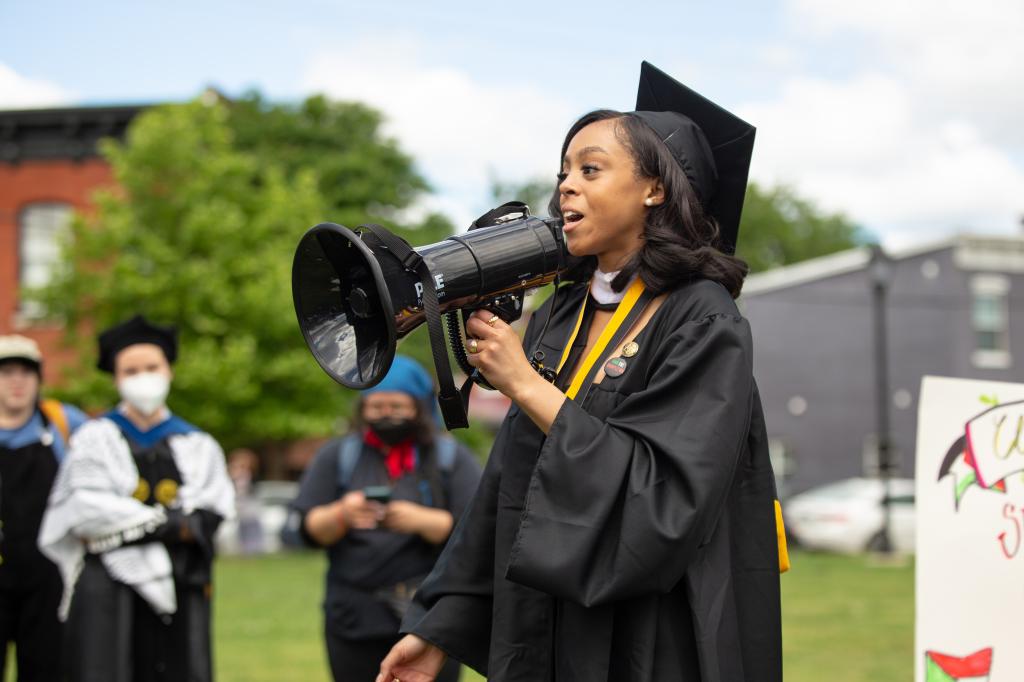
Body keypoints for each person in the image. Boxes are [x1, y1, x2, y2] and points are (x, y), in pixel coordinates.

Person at [377, 62, 786, 682]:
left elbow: (665, 495)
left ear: (655, 189)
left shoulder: (702, 317)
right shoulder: (561, 313)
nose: (566, 186)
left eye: (590, 169)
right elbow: (510, 481)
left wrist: (525, 385)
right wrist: (437, 626)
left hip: (652, 629)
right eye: (563, 172)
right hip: (543, 621)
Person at [38, 314, 235, 682]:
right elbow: (85, 515)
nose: (143, 377)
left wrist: (135, 522)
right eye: (130, 370)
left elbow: (211, 517)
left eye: (151, 367)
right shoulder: (95, 440)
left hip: (181, 585)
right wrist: (172, 522)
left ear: (169, 371)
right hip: (107, 589)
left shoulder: (197, 444)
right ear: (115, 377)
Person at [287, 355, 482, 682]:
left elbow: (477, 533)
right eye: (377, 408)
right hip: (353, 619)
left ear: (419, 407)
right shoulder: (338, 456)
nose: (386, 415)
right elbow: (303, 530)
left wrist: (422, 521)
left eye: (397, 406)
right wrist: (342, 514)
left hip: (428, 617)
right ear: (362, 409)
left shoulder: (450, 457)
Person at [0, 335, 87, 681]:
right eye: (7, 372)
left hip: (50, 575)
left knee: (48, 668)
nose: (17, 381)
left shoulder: (65, 425)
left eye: (27, 372)